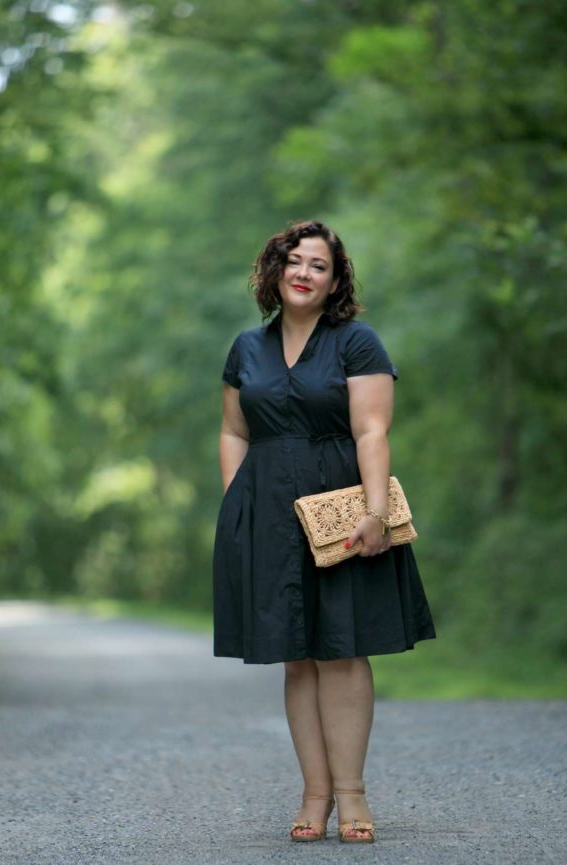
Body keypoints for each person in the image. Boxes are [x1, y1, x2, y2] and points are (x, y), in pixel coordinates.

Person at [213, 220, 436, 843]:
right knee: (297, 656)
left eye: (318, 265)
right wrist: (239, 501)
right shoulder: (245, 349)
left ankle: (352, 794)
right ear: (274, 269)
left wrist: (374, 512)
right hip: (268, 513)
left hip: (341, 506)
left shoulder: (357, 343)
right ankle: (314, 795)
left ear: (335, 281)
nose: (304, 272)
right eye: (294, 260)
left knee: (342, 648)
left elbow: (371, 431)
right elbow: (234, 430)